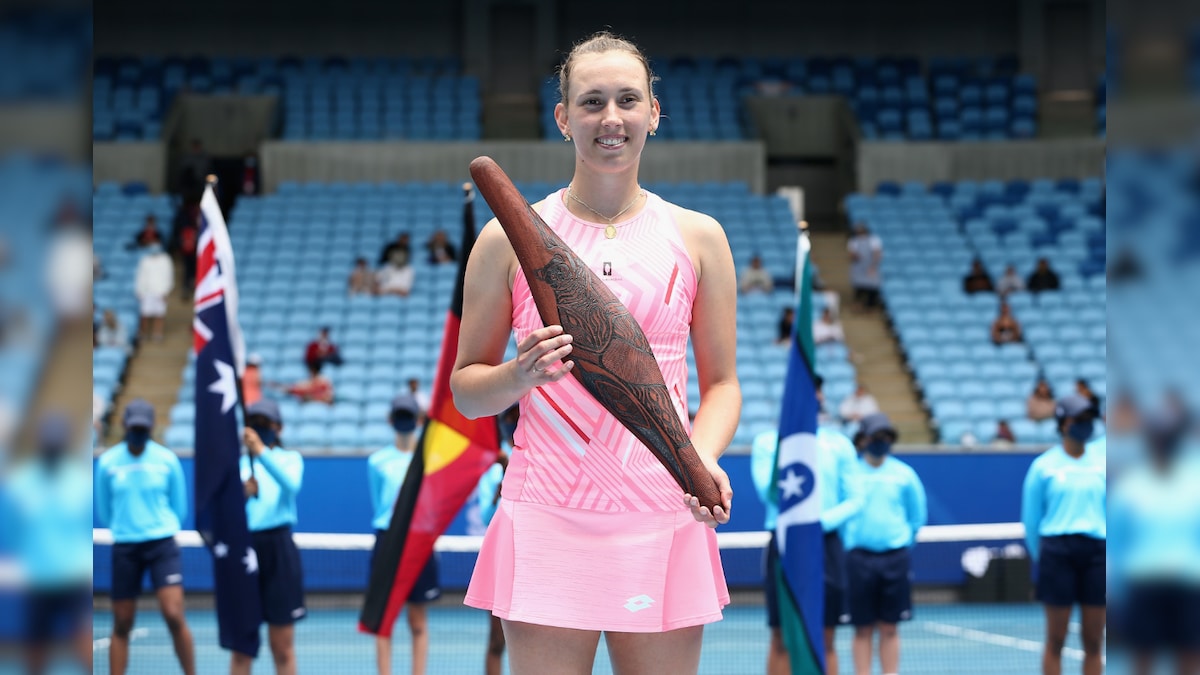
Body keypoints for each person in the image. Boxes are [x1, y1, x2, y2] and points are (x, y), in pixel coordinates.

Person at [450, 31, 739, 674]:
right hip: (547, 512)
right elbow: (466, 391)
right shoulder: (505, 240)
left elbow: (722, 385)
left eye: (628, 100)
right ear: (563, 118)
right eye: (592, 102)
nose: (611, 118)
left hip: (664, 509)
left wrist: (703, 457)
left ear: (654, 113)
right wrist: (520, 374)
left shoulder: (698, 238)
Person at [751, 375, 861, 675]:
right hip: (785, 545)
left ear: (820, 398)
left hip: (827, 547)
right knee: (782, 637)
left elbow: (855, 498)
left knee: (826, 637)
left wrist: (818, 524)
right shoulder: (766, 443)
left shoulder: (839, 444)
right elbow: (769, 492)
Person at [94, 399, 196, 675]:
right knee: (122, 622)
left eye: (143, 427)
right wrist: (126, 528)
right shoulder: (107, 463)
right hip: (126, 547)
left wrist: (158, 527)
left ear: (151, 428)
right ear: (125, 425)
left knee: (174, 615)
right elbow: (105, 510)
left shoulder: (167, 460)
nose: (138, 432)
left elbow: (180, 507)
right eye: (134, 426)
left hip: (162, 545)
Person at [1109, 402, 1200, 675]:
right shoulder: (1131, 485)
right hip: (1143, 587)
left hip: (1188, 587)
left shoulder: (1195, 482)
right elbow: (1116, 543)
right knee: (1142, 660)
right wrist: (1116, 593)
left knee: (1189, 658)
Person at [1021, 394, 1106, 675]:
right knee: (1056, 639)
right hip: (1058, 554)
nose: (1085, 424)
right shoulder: (1044, 467)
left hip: (1098, 554)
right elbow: (1032, 520)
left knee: (1094, 641)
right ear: (1062, 423)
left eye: (1088, 419)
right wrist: (1043, 556)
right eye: (1078, 419)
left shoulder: (1104, 462)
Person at [7, 413, 93, 674]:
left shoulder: (79, 480)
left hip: (74, 577)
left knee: (81, 638)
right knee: (36, 646)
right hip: (38, 579)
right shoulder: (20, 480)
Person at [843, 413, 927, 675]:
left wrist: (901, 544)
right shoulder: (850, 473)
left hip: (895, 559)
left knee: (890, 627)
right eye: (876, 436)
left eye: (886, 437)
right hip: (857, 559)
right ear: (863, 439)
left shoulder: (905, 474)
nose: (882, 441)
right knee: (862, 627)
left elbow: (916, 517)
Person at [367, 395, 441, 675]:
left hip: (418, 540)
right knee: (384, 619)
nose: (404, 421)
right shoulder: (377, 462)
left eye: (408, 415)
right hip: (388, 539)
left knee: (418, 620)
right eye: (399, 415)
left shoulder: (430, 460)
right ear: (391, 420)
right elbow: (379, 504)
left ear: (418, 420)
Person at [232, 399, 306, 675]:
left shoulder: (290, 459)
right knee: (242, 648)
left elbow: (291, 486)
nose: (260, 427)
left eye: (266, 423)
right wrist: (241, 494)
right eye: (255, 422)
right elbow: (225, 512)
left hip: (279, 551)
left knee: (282, 647)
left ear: (278, 427)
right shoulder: (237, 465)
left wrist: (261, 451)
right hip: (245, 550)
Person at [134, 242, 174, 342]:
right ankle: (143, 334)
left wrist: (166, 291)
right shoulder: (145, 260)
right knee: (144, 314)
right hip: (147, 291)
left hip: (160, 292)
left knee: (160, 314)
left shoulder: (166, 260)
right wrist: (139, 290)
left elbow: (169, 276)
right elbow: (140, 276)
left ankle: (157, 334)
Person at [847, 223, 882, 311]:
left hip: (870, 267)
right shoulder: (854, 241)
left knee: (872, 288)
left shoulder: (873, 240)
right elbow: (852, 255)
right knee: (859, 288)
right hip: (859, 268)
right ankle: (857, 306)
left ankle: (870, 307)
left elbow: (877, 254)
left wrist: (873, 266)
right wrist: (856, 257)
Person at [170, 205, 200, 299]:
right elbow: (180, 241)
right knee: (188, 271)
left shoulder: (198, 230)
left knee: (194, 271)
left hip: (195, 254)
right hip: (188, 253)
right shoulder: (187, 230)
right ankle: (187, 289)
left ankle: (193, 289)